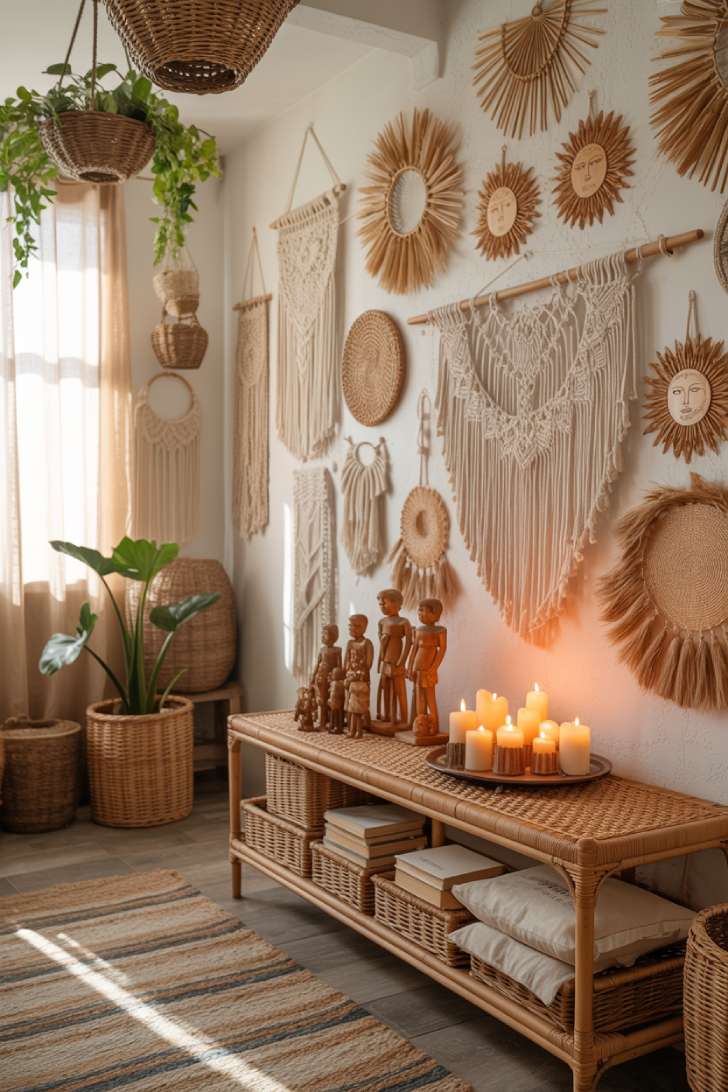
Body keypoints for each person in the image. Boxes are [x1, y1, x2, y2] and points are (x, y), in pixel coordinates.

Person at [406, 598, 447, 733]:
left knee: (430, 698)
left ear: (435, 614)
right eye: (419, 610)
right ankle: (420, 726)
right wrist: (410, 667)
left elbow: (442, 650)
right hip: (418, 670)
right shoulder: (419, 630)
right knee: (419, 699)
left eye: (423, 611)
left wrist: (433, 668)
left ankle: (434, 726)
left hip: (429, 671)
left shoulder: (440, 631)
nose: (419, 613)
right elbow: (414, 650)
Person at [375, 589, 412, 726]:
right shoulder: (381, 622)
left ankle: (402, 718)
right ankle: (387, 715)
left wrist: (402, 661)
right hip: (385, 660)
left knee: (399, 690)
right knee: (385, 688)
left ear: (397, 603)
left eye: (385, 603)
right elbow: (381, 641)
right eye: (380, 604)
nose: (382, 606)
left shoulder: (403, 622)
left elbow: (408, 642)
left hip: (396, 660)